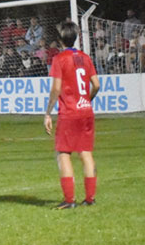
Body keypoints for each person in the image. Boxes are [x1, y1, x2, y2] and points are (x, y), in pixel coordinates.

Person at [44, 21, 100, 209]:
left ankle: (69, 201)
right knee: (85, 153)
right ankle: (90, 199)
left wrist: (48, 113)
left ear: (60, 39)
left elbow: (56, 88)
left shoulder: (59, 59)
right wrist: (86, 100)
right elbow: (97, 85)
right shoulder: (85, 57)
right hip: (86, 112)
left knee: (63, 154)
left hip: (69, 113)